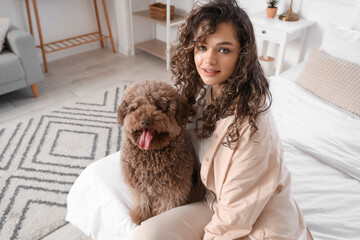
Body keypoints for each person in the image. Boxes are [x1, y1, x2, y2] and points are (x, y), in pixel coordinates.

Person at [132, 0, 312, 239]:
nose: (209, 60)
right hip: (213, 200)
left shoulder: (253, 127)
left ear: (243, 55)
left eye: (224, 49)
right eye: (202, 47)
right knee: (146, 235)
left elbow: (235, 214)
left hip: (256, 220)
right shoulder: (203, 90)